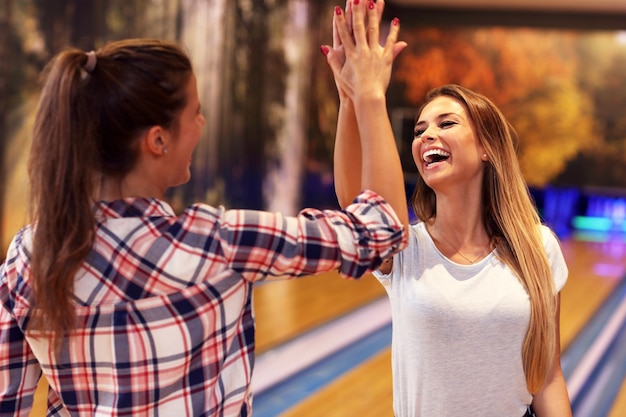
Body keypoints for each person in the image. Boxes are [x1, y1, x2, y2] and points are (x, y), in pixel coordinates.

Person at [0, 30, 408, 417]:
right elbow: (383, 229)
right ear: (158, 140)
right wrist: (366, 95)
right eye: (195, 113)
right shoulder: (218, 243)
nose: (202, 124)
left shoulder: (28, 257)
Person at [324, 2, 572, 416]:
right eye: (420, 130)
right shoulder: (406, 249)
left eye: (446, 123)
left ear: (488, 148)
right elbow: (359, 206)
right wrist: (353, 98)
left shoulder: (538, 247)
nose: (427, 136)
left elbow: (547, 376)